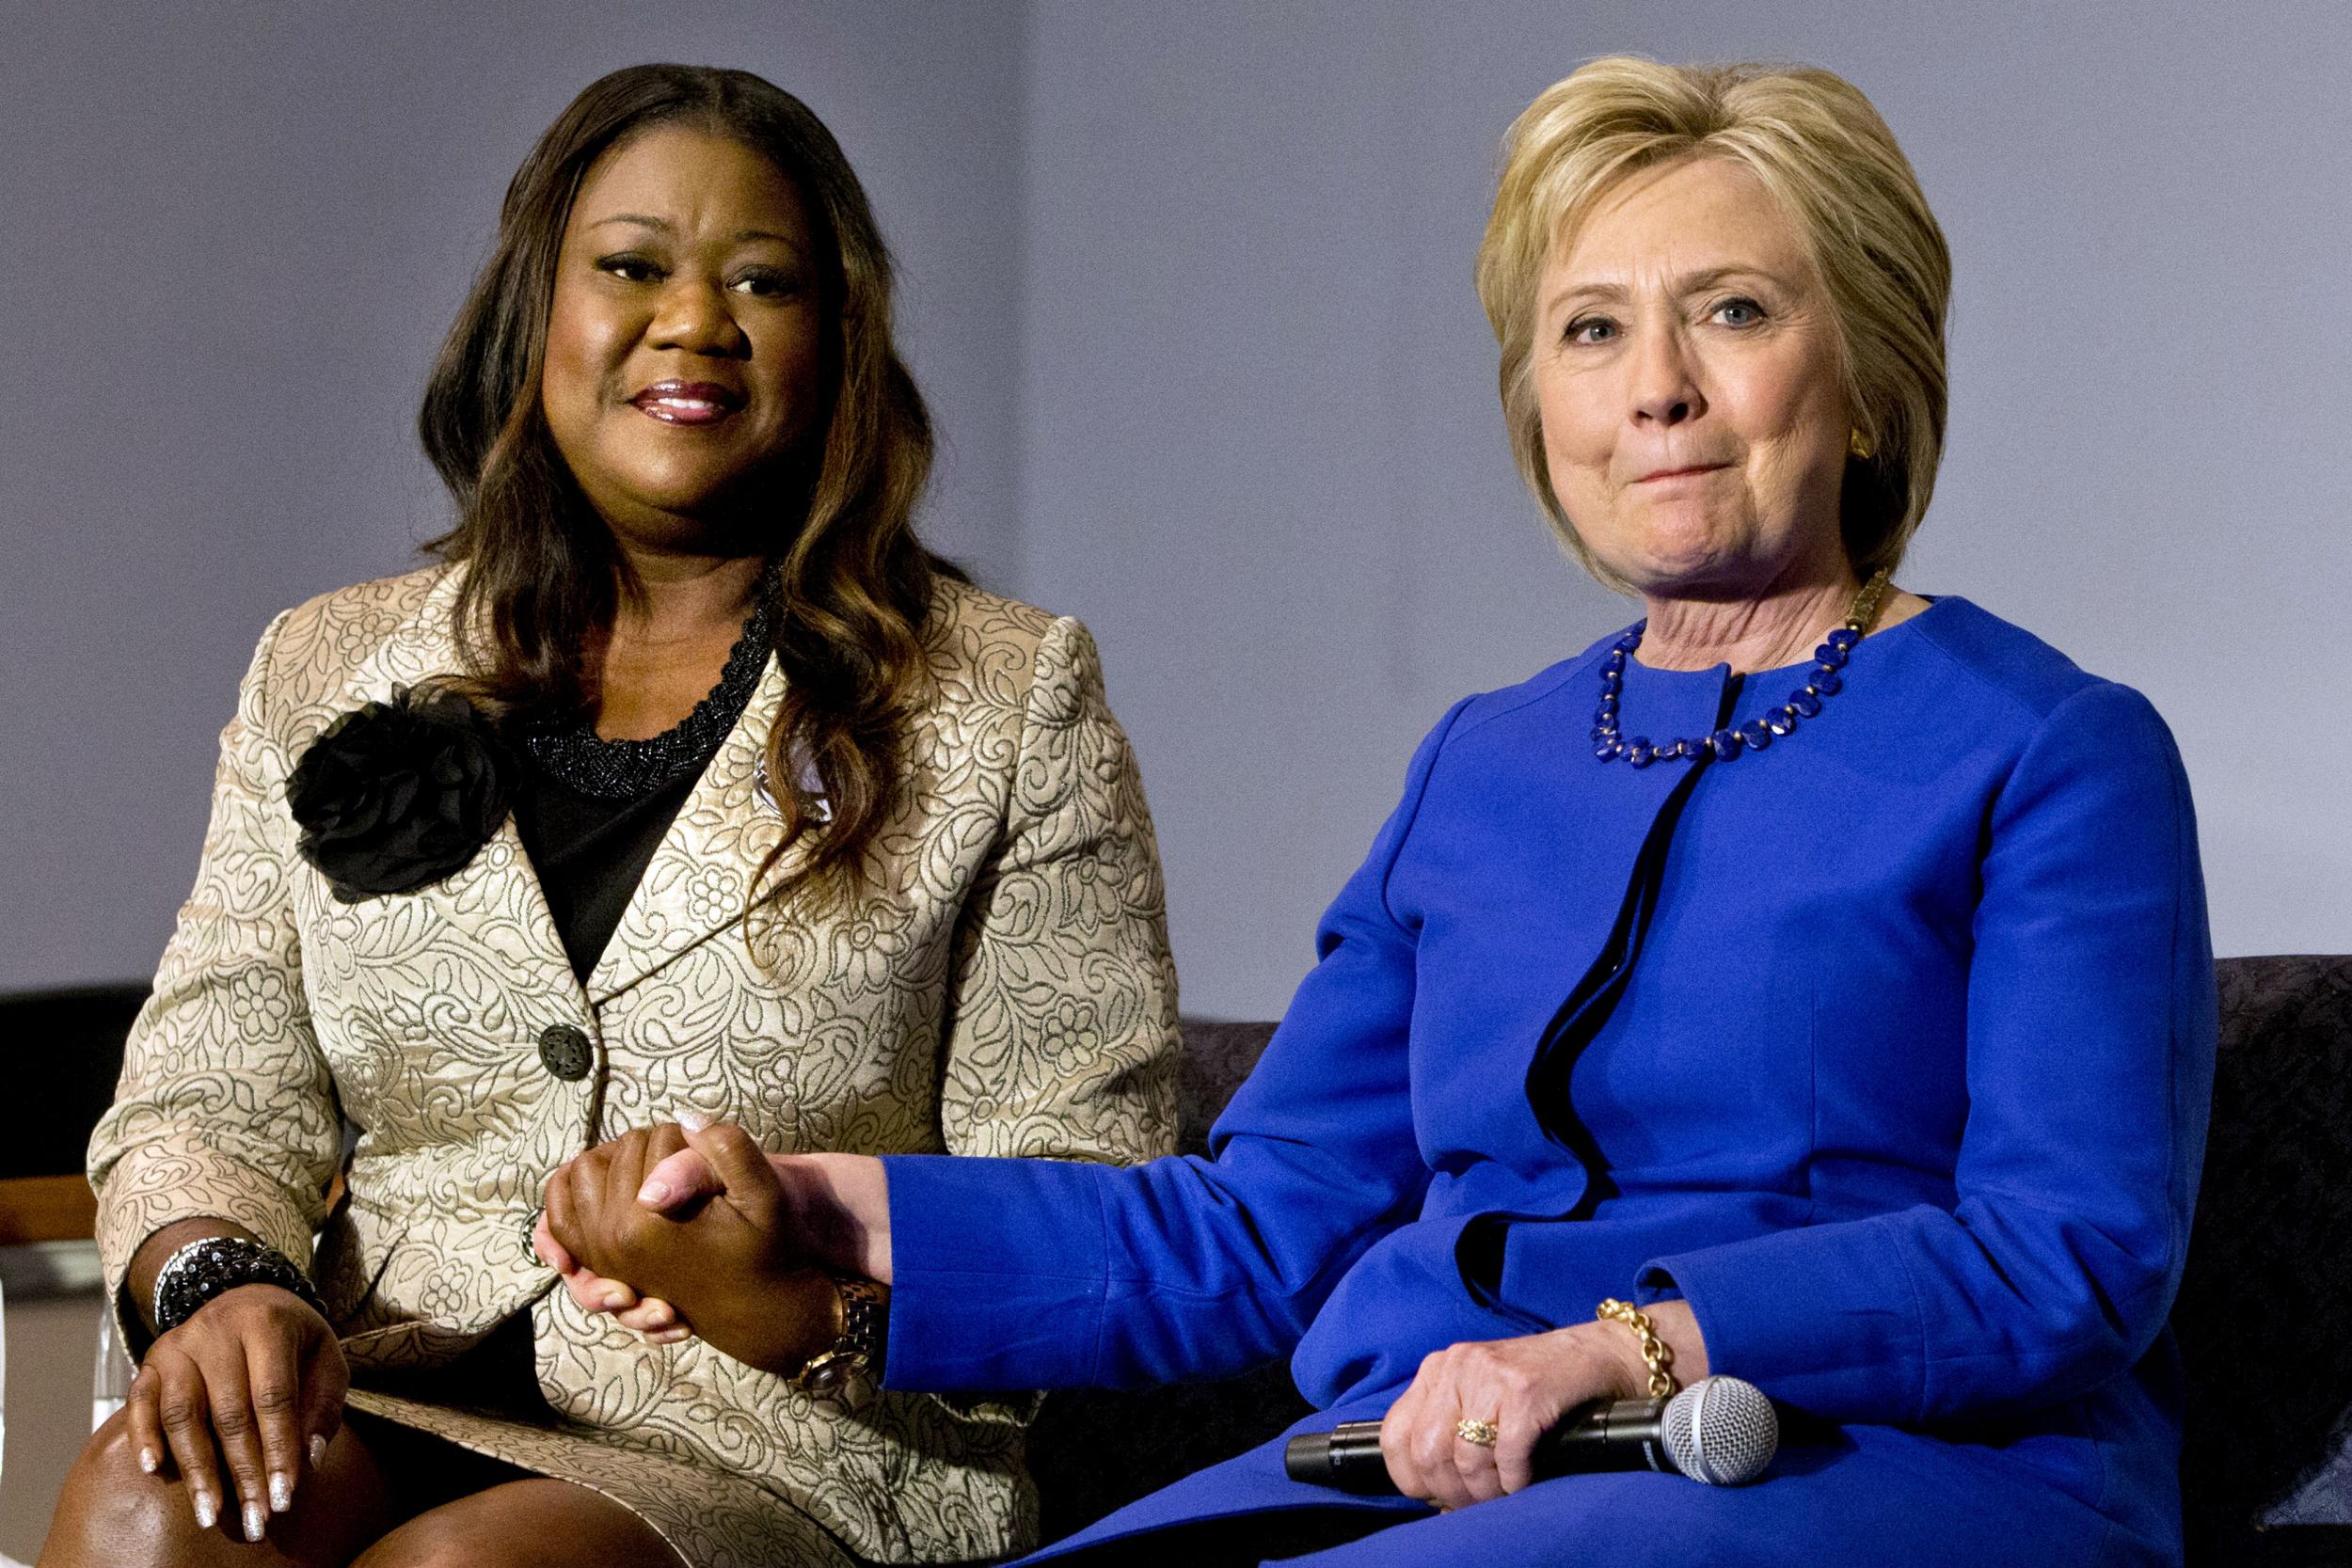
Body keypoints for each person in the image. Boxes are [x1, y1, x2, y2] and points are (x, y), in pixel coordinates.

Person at [544, 56, 2217, 1567]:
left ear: (1865, 375)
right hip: (1438, 1466)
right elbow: (1261, 1231)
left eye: (1731, 314)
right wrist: (821, 1205)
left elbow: (2062, 1255)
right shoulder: (1485, 767)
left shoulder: (2054, 750)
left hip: (1878, 1468)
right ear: (1538, 403)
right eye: (1592, 329)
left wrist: (1628, 1347)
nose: (1657, 390)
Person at [42, 63, 1178, 1568]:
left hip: (788, 1452)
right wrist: (220, 1285)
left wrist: (808, 1303)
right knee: (147, 1504)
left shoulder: (1005, 698)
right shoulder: (325, 663)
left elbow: (1093, 1211)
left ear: (837, 344)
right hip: (390, 1385)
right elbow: (204, 1093)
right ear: (541, 314)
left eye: (761, 282)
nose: (693, 321)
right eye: (633, 266)